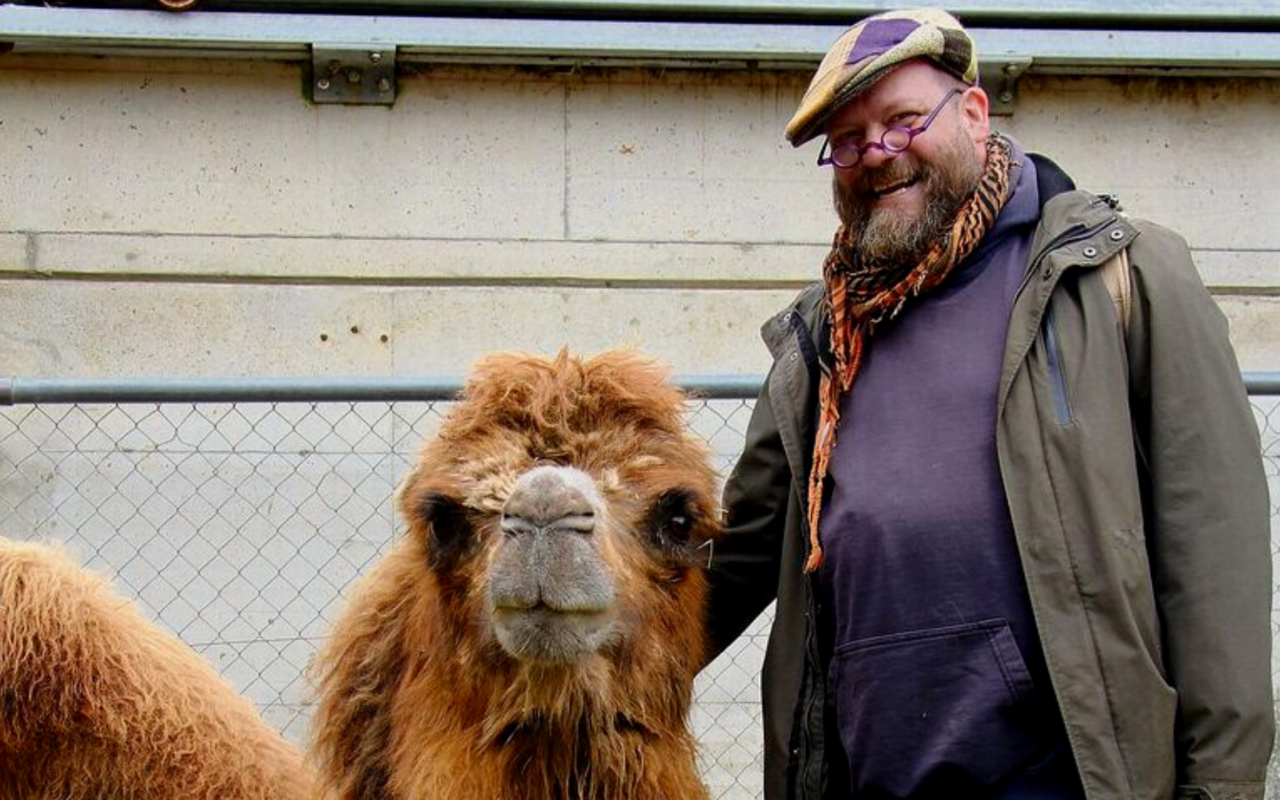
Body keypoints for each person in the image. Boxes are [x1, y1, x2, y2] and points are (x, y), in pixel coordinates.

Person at [705, 8, 1274, 800]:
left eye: (903, 120)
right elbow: (731, 560)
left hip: (1069, 780)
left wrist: (1221, 784)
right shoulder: (823, 334)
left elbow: (1212, 552)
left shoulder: (1115, 275)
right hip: (866, 777)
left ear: (973, 113)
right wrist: (564, 641)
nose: (879, 154)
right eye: (848, 140)